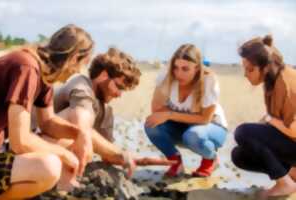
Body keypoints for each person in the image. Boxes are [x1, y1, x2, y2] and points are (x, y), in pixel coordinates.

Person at [0, 24, 94, 199]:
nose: (78, 71)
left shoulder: (43, 74)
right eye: (82, 64)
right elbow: (20, 142)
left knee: (62, 143)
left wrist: (81, 135)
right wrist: (65, 156)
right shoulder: (27, 67)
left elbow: (48, 123)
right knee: (48, 166)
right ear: (74, 58)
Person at [44, 47, 141, 177]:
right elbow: (82, 124)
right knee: (81, 128)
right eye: (119, 87)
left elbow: (107, 155)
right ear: (104, 75)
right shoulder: (80, 84)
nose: (119, 94)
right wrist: (120, 154)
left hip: (53, 157)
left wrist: (137, 160)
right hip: (32, 143)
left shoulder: (105, 111)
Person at [144, 44, 228, 177]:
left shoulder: (208, 80)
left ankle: (210, 159)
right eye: (176, 67)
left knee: (193, 135)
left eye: (185, 69)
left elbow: (204, 118)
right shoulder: (167, 76)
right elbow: (157, 111)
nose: (178, 73)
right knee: (151, 124)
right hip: (184, 127)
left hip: (212, 128)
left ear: (197, 68)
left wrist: (170, 114)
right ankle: (175, 161)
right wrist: (171, 115)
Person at [231, 35, 296, 198]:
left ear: (265, 67)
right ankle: (291, 176)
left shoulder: (286, 84)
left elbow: (294, 131)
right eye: (244, 69)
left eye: (250, 69)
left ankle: (285, 184)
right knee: (239, 155)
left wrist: (268, 120)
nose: (246, 74)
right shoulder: (273, 80)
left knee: (243, 132)